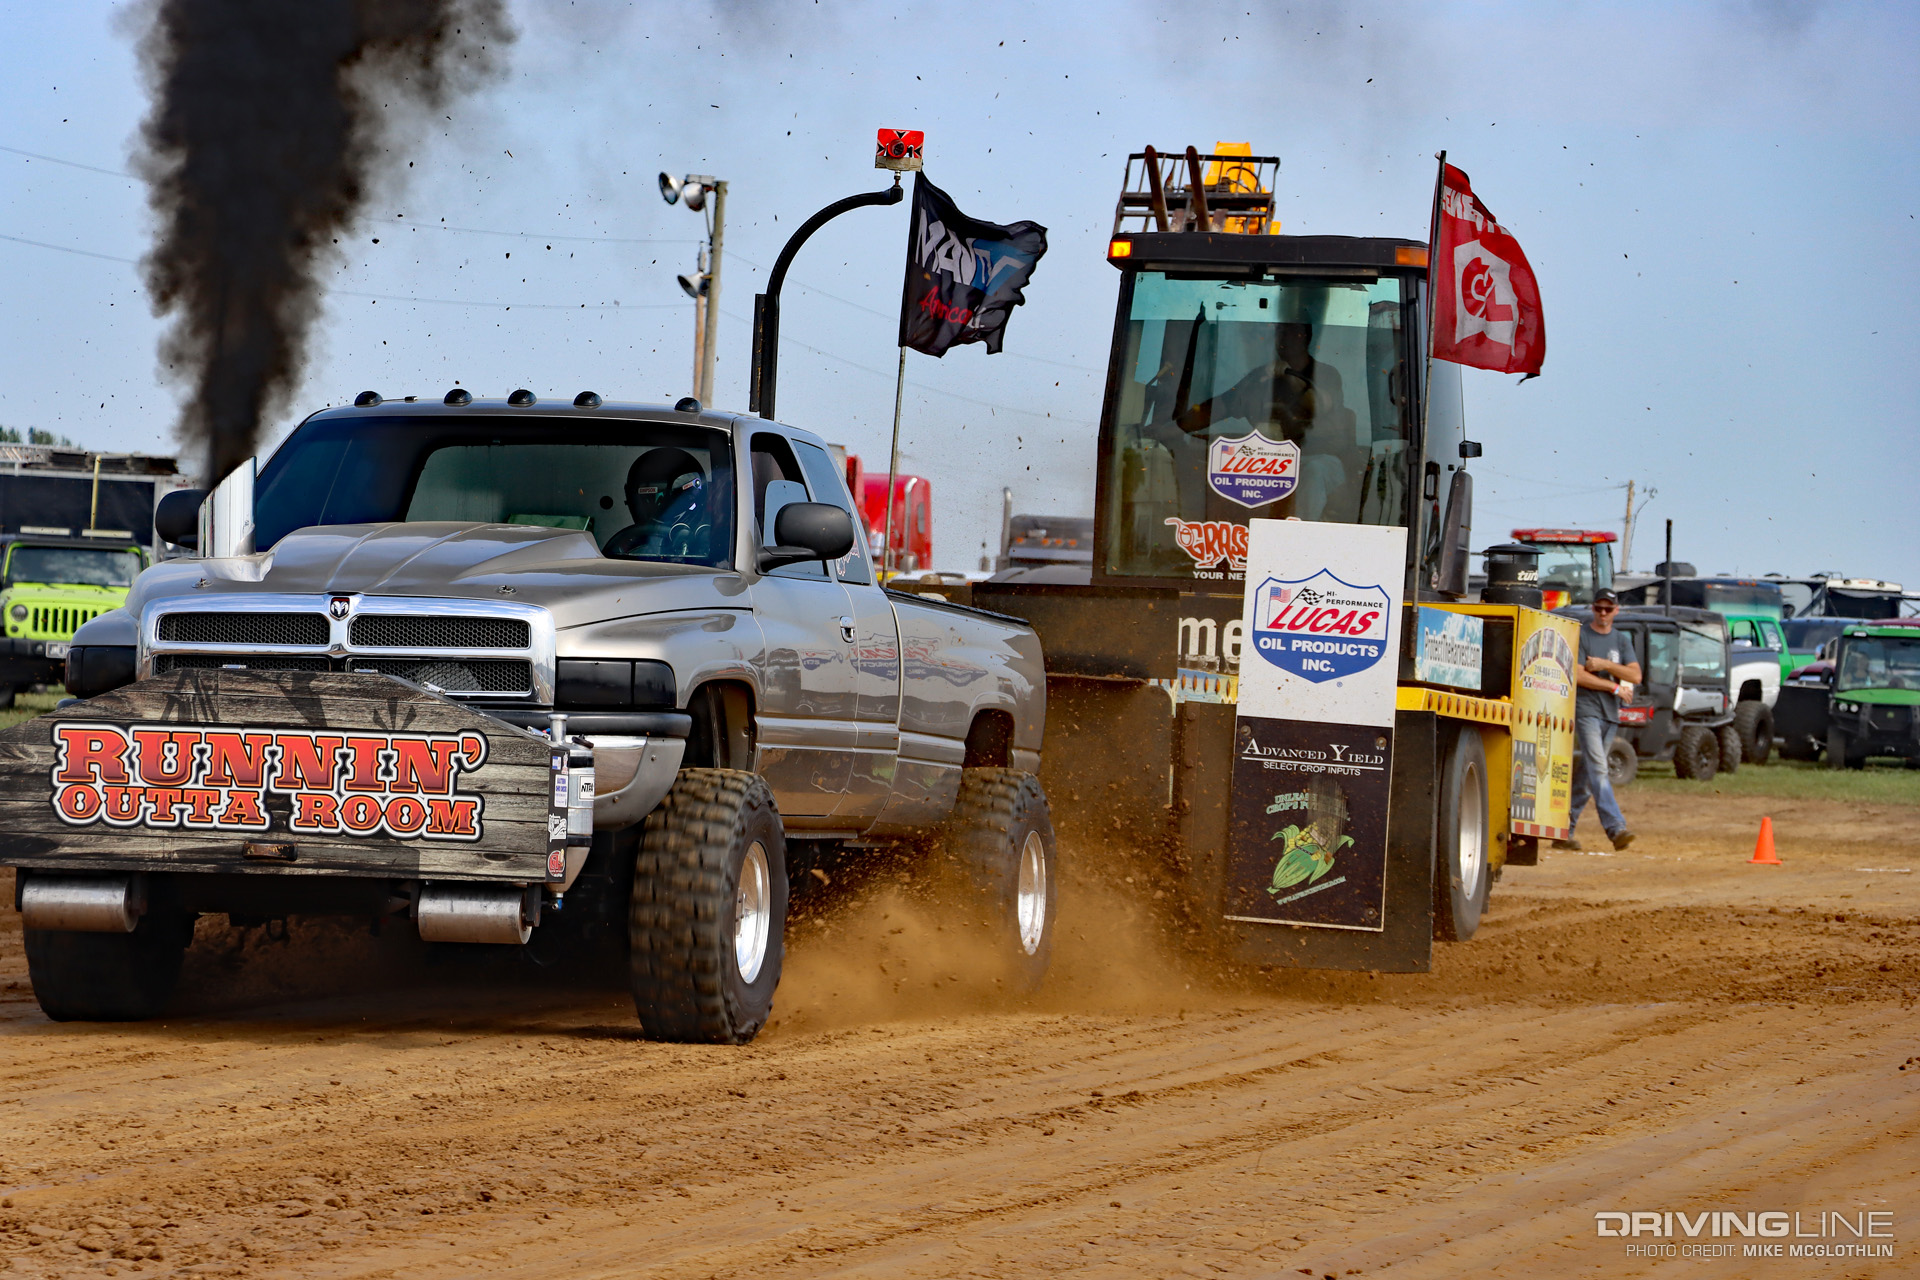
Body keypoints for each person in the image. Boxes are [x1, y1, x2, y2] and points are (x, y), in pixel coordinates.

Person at [1561, 588, 1642, 851]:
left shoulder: (1621, 640)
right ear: (1592, 609)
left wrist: (1606, 665)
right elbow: (1579, 675)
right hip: (1587, 711)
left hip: (1611, 714)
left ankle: (1565, 830)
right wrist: (1613, 687)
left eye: (1608, 609)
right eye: (1599, 608)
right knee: (1598, 769)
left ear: (1616, 611)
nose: (1603, 613)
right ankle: (1616, 828)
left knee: (1588, 776)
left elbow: (1635, 676)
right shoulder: (1582, 634)